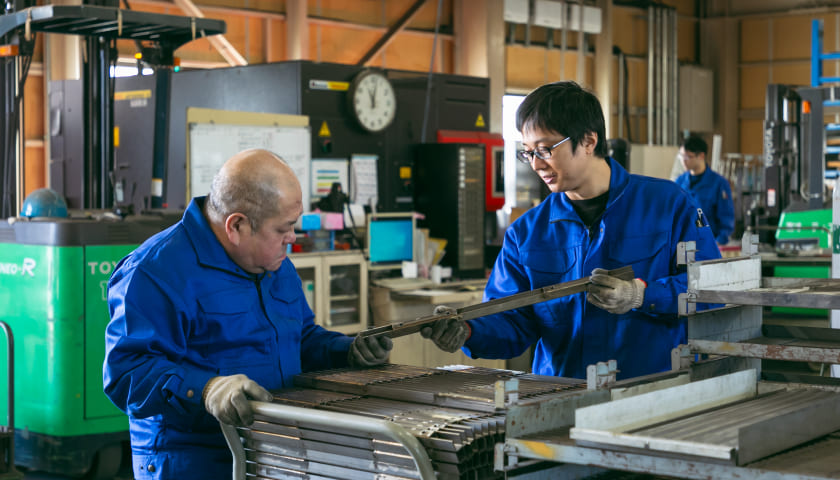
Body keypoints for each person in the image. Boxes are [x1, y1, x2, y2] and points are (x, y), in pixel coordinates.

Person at [103, 149, 392, 479]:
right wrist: (207, 389)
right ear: (237, 225)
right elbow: (126, 373)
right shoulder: (156, 272)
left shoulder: (273, 264)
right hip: (194, 461)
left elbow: (300, 339)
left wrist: (348, 350)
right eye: (284, 228)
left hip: (272, 451)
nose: (292, 239)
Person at [421, 81, 721, 380]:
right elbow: (514, 321)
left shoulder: (667, 205)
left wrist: (642, 295)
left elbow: (714, 289)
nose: (536, 164)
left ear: (589, 141)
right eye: (527, 152)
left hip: (652, 394)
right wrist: (469, 329)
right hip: (560, 398)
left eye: (544, 149)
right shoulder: (526, 233)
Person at [675, 135, 735, 245]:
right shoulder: (679, 182)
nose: (683, 161)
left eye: (688, 157)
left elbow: (726, 220)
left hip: (709, 246)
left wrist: (718, 244)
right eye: (681, 156)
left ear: (701, 156)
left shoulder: (719, 184)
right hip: (683, 245)